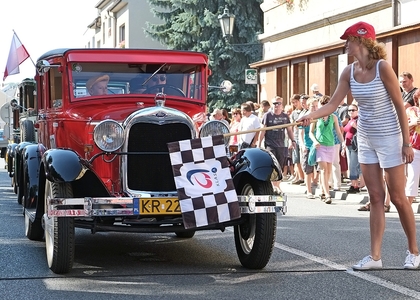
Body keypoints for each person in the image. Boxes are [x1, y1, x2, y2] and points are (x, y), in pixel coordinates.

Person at [297, 21, 420, 270]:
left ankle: (414, 251)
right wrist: (311, 115)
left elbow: (399, 104)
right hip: (365, 139)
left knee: (397, 196)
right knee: (375, 196)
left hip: (390, 137)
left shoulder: (383, 68)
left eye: (349, 40)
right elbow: (332, 105)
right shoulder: (348, 72)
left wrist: (406, 143)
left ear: (362, 41)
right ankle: (375, 257)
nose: (345, 44)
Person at [309, 95, 344, 204]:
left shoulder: (333, 117)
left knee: (328, 170)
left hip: (331, 145)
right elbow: (311, 132)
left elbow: (338, 132)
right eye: (323, 105)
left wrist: (343, 144)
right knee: (323, 170)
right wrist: (315, 141)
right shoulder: (316, 117)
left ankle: (323, 191)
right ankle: (328, 195)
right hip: (320, 146)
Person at [258, 96, 295, 194]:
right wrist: (259, 144)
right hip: (270, 144)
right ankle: (273, 186)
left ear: (281, 105)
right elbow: (262, 131)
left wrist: (293, 140)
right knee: (272, 165)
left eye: (278, 103)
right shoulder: (267, 116)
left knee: (280, 166)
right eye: (274, 103)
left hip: (281, 145)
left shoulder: (285, 117)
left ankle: (277, 186)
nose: (276, 105)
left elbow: (289, 130)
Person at [299, 97, 319, 198]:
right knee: (308, 169)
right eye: (312, 106)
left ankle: (315, 182)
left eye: (316, 106)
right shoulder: (304, 117)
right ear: (308, 106)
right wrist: (302, 145)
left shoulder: (319, 117)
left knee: (320, 168)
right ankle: (309, 190)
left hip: (319, 145)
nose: (315, 108)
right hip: (308, 145)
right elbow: (301, 133)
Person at [343, 104, 362, 193]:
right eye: (349, 110)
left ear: (357, 110)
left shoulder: (358, 120)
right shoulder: (350, 121)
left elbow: (363, 131)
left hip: (355, 145)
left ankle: (355, 185)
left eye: (353, 110)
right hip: (348, 144)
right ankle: (353, 183)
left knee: (353, 165)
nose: (351, 112)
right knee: (351, 164)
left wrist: (356, 127)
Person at [405, 88, 420, 204]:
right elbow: (402, 127)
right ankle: (407, 207)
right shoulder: (411, 110)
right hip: (415, 148)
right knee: (413, 177)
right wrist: (414, 123)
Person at [289, 94, 305, 185]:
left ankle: (304, 176)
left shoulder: (304, 112)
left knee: (303, 157)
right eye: (293, 103)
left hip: (302, 136)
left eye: (296, 102)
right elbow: (291, 125)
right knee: (296, 158)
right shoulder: (294, 113)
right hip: (295, 136)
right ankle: (300, 177)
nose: (295, 104)